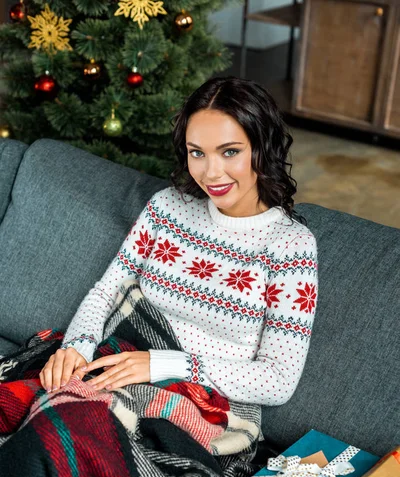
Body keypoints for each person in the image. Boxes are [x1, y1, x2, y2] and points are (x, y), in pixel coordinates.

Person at [39, 75, 318, 405]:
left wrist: (161, 365)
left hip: (205, 406)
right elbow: (108, 289)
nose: (211, 173)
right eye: (197, 153)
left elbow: (278, 381)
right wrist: (76, 348)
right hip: (116, 370)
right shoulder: (167, 208)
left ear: (263, 147)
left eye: (230, 151)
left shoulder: (291, 248)